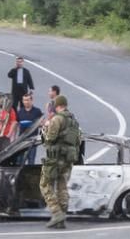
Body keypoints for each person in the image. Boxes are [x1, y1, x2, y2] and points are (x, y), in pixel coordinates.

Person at [39, 95, 81, 229]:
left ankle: (56, 213)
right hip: (68, 159)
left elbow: (49, 140)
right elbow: (78, 141)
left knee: (45, 184)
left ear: (57, 106)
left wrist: (44, 129)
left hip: (55, 159)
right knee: (62, 187)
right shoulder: (74, 121)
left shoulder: (57, 119)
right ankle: (62, 217)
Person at [17, 93, 43, 165]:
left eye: (28, 100)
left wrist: (36, 125)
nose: (26, 102)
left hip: (32, 141)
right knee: (20, 161)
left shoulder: (37, 111)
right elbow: (16, 124)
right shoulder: (20, 112)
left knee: (31, 161)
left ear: (32, 100)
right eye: (24, 100)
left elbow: (42, 123)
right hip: (22, 141)